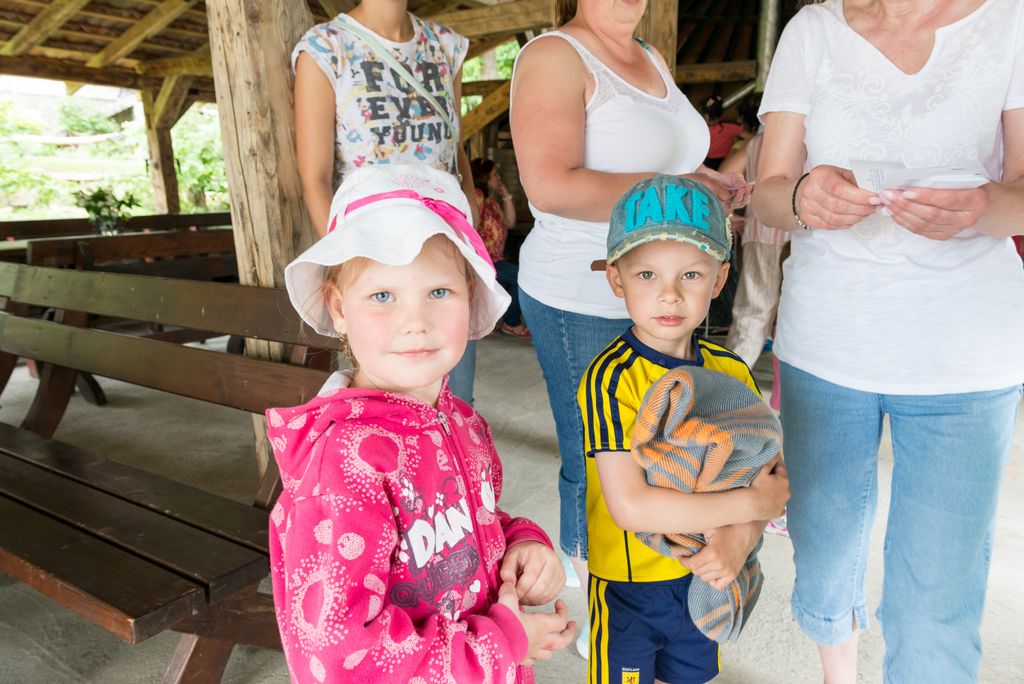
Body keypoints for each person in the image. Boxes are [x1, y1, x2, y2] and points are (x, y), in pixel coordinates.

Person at [751, 0, 1024, 681]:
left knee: (938, 600)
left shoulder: (1011, 22)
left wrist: (987, 206)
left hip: (966, 356)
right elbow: (768, 193)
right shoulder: (812, 30)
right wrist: (804, 196)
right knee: (822, 552)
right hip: (826, 343)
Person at [267, 164, 575, 683]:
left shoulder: (461, 421)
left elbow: (471, 521)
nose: (416, 322)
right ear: (339, 309)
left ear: (470, 295)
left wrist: (521, 540)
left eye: (438, 292)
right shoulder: (345, 464)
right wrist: (502, 642)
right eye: (382, 296)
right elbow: (341, 657)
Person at [509, 0, 749, 653]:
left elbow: (656, 166)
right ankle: (598, 595)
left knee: (663, 449)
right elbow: (551, 185)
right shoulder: (555, 56)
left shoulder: (648, 55)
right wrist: (676, 190)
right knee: (597, 455)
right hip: (583, 294)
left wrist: (701, 184)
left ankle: (657, 578)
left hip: (662, 289)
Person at [578, 176, 789, 682]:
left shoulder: (731, 370)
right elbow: (631, 507)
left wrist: (741, 538)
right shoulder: (610, 378)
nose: (669, 295)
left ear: (718, 280)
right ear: (617, 280)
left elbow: (770, 479)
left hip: (710, 576)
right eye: (647, 274)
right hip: (629, 585)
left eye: (691, 274)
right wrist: (750, 508)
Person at [292, 0, 480, 403]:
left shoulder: (445, 46)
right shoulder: (327, 48)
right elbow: (316, 180)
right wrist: (354, 272)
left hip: (441, 261)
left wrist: (471, 226)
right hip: (376, 266)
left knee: (453, 398)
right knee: (386, 400)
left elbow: (455, 149)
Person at [721, 96, 790, 369]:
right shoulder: (809, 141)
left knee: (753, 311)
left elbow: (725, 175)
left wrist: (732, 214)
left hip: (761, 233)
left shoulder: (757, 143)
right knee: (793, 315)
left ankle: (729, 379)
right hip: (802, 237)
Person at [470, 157, 529, 338]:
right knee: (522, 278)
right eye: (494, 175)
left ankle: (505, 321)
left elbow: (510, 223)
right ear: (484, 177)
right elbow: (472, 226)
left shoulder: (492, 202)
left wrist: (506, 196)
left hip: (497, 260)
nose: (498, 178)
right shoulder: (477, 196)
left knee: (522, 277)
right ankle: (512, 323)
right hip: (485, 261)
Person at [700, 95, 745, 170]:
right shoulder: (730, 127)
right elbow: (750, 136)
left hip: (708, 161)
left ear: (706, 117)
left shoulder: (701, 128)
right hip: (725, 160)